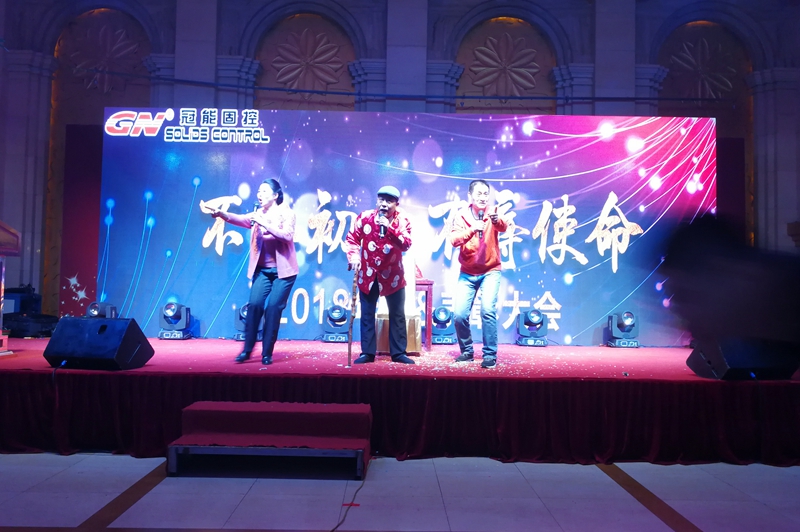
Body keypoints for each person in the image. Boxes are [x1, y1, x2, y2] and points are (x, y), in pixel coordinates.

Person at [209, 179, 298, 365]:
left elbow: (287, 236)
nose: (260, 195)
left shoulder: (286, 213)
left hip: (284, 273)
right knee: (255, 305)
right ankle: (247, 350)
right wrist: (222, 214)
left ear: (275, 195)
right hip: (263, 270)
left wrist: (264, 223)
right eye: (258, 191)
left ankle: (267, 353)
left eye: (264, 191)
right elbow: (241, 219)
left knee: (273, 309)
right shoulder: (257, 215)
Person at [345, 185, 415, 364]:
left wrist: (389, 228)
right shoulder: (365, 217)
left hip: (393, 276)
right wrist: (354, 257)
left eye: (389, 201)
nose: (384, 204)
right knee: (367, 313)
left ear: (396, 204)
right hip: (368, 274)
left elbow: (406, 244)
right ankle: (367, 353)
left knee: (397, 314)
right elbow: (352, 239)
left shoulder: (402, 221)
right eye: (381, 200)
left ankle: (398, 353)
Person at [448, 179, 509, 368]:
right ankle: (467, 351)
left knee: (487, 310)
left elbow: (503, 226)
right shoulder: (461, 216)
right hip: (467, 272)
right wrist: (472, 229)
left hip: (490, 270)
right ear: (470, 195)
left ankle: (490, 355)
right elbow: (454, 240)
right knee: (459, 314)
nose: (483, 197)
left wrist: (496, 220)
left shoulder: (493, 212)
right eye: (479, 193)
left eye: (486, 194)